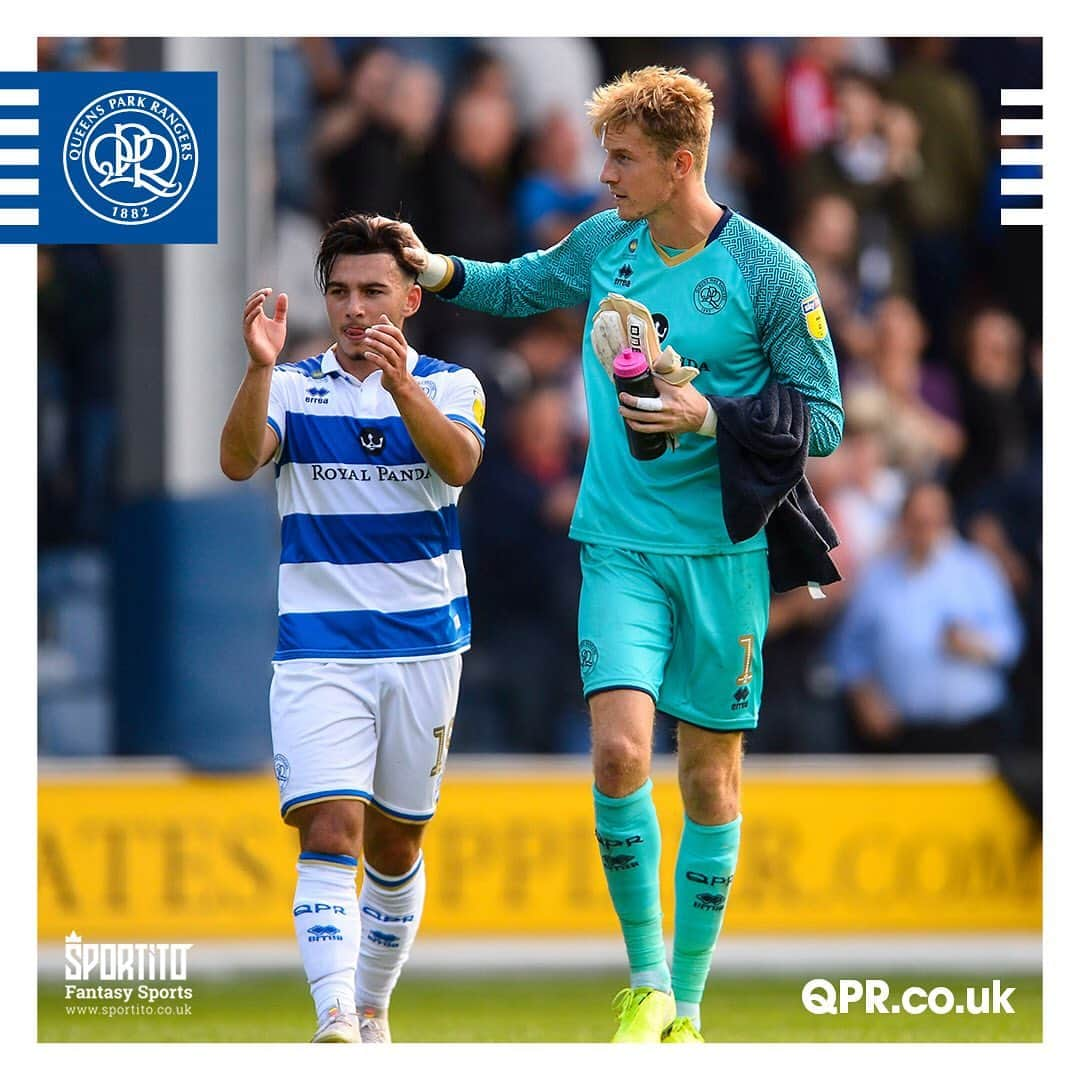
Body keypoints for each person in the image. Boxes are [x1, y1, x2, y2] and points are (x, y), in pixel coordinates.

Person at [391, 66, 843, 1043]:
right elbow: (519, 284)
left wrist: (709, 413)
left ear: (682, 163)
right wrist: (434, 270)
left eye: (623, 159)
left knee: (710, 779)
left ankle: (687, 1001)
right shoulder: (607, 245)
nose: (603, 176)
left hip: (725, 556)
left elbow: (829, 424)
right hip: (618, 546)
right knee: (620, 750)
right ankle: (643, 981)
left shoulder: (771, 274)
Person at [219, 214, 485, 1043]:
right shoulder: (294, 387)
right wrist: (258, 370)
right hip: (319, 650)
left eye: (374, 291)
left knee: (397, 847)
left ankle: (373, 1005)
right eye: (339, 291)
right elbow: (235, 460)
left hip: (424, 647)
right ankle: (336, 1014)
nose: (355, 308)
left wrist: (401, 389)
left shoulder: (451, 385)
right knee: (330, 827)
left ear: (411, 297)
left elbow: (459, 465)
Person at [831, 481, 1023, 753]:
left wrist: (975, 644)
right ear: (904, 522)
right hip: (904, 734)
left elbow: (1010, 644)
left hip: (974, 730)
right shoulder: (877, 578)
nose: (926, 529)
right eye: (919, 521)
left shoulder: (977, 570)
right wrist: (864, 695)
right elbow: (849, 649)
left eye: (934, 520)